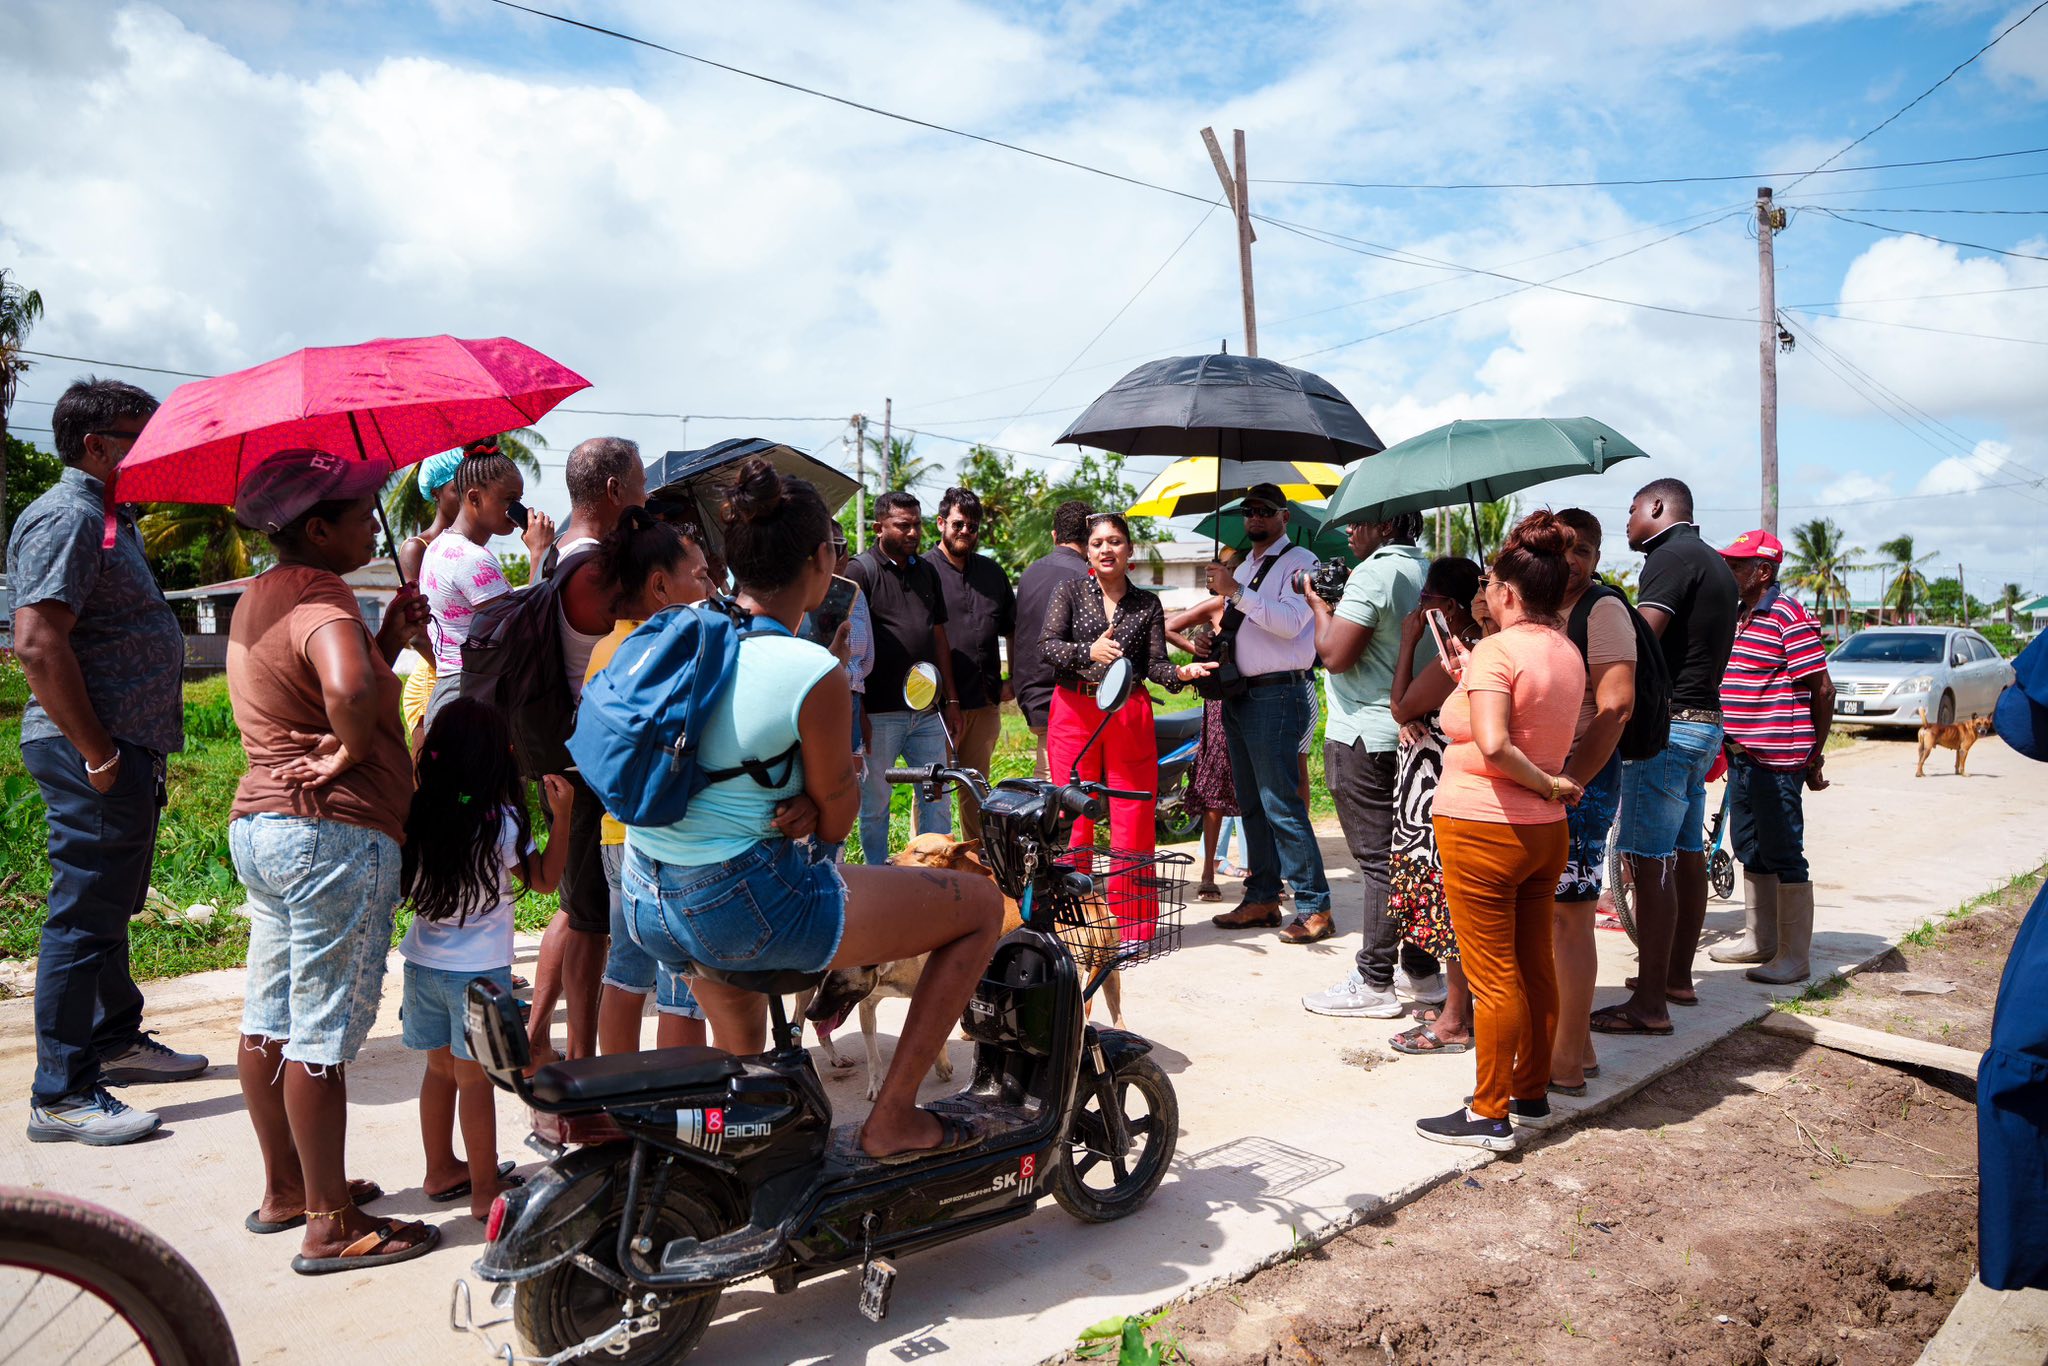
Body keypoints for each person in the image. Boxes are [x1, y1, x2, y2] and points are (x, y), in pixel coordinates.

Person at [622, 459, 1003, 1160]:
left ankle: (758, 1163)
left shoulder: (689, 633)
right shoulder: (809, 670)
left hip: (648, 894)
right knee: (978, 907)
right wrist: (817, 793)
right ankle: (893, 1118)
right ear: (824, 560)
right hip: (735, 903)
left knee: (747, 1051)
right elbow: (837, 819)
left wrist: (787, 793)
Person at [224, 449, 438, 1273]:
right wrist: (353, 752)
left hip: (266, 828)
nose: (366, 530)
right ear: (319, 528)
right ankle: (330, 1223)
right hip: (330, 834)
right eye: (358, 518)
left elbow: (321, 680)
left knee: (269, 1015)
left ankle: (286, 1188)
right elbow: (347, 693)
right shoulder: (322, 593)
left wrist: (385, 639)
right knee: (320, 1032)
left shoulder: (261, 598)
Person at [13, 377, 208, 1146]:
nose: (153, 452)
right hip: (87, 746)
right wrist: (97, 752)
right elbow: (36, 642)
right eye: (140, 438)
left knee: (110, 906)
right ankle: (60, 1091)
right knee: (83, 917)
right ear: (97, 447)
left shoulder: (108, 519)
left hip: (122, 745)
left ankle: (113, 1039)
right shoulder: (66, 515)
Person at [1416, 513, 1586, 1151]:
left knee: (1491, 977)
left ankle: (1488, 1111)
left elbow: (1493, 741)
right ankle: (1530, 1091)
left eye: (1488, 584)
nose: (1483, 593)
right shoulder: (1564, 650)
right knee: (1534, 966)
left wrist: (1543, 781)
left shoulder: (1498, 649)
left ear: (1509, 594)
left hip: (1486, 824)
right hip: (1544, 833)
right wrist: (1470, 682)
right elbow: (1527, 719)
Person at [399, 701, 572, 1218]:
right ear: (499, 758)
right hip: (477, 974)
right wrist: (561, 818)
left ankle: (438, 1170)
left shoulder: (421, 810)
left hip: (421, 965)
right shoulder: (503, 822)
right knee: (475, 1080)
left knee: (438, 1072)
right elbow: (543, 882)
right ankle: (482, 1193)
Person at [1592, 479, 1737, 1038]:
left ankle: (1650, 1004)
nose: (1627, 522)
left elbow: (1640, 642)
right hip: (1702, 727)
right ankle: (1676, 977)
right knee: (1683, 853)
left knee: (1646, 860)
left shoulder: (1670, 556)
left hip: (1667, 731)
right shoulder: (1712, 560)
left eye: (1631, 510)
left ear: (1657, 507)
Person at [520, 437, 647, 1066]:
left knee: (575, 910)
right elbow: (631, 643)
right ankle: (579, 1062)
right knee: (591, 922)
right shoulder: (595, 569)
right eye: (641, 483)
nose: (646, 495)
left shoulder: (558, 553)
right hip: (587, 764)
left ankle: (540, 1038)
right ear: (616, 490)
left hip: (564, 758)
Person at [1041, 514, 1215, 929]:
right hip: (1073, 710)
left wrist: (1180, 674)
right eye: (1098, 542)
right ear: (1087, 548)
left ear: (1129, 550)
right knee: (1071, 817)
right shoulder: (1067, 591)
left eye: (1115, 541)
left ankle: (1135, 923)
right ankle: (1071, 919)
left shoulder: (1146, 603)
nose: (1106, 549)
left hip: (1128, 710)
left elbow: (1155, 664)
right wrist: (1088, 651)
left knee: (1134, 816)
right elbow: (1046, 646)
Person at [587, 508, 716, 1054]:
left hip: (615, 835)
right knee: (682, 988)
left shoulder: (606, 647)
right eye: (702, 575)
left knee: (624, 972)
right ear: (661, 586)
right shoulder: (675, 648)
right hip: (668, 842)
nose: (711, 584)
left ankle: (614, 1100)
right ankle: (676, 1113)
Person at [1300, 512, 1438, 1022]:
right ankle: (1421, 971)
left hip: (1363, 733)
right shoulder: (1423, 570)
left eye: (1359, 524)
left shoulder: (1373, 574)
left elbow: (1334, 656)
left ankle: (1375, 979)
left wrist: (1318, 605)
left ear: (1386, 525)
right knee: (1411, 854)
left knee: (1380, 862)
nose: (1350, 533)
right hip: (1413, 730)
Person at [1204, 484, 1331, 933]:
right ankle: (1261, 897)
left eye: (1264, 511)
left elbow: (1290, 623)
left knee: (1280, 802)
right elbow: (1247, 626)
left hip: (1279, 693)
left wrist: (1234, 590)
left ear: (1284, 517)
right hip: (1242, 692)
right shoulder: (1248, 563)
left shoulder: (1302, 563)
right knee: (1251, 804)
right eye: (1248, 511)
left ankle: (1315, 904)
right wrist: (1214, 640)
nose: (1254, 518)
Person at [1711, 529, 1833, 985]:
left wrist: (1813, 756)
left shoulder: (1787, 615)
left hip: (1778, 758)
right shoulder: (1739, 614)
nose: (1729, 571)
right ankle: (1760, 940)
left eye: (1737, 566)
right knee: (1749, 846)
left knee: (1784, 851)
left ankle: (1793, 957)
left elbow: (1822, 689)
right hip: (1742, 756)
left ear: (1763, 572)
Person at [1549, 509, 1637, 1094]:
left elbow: (1616, 708)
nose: (1572, 560)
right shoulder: (1543, 609)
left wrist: (1573, 779)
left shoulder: (1601, 610)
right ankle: (1578, 1049)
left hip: (1583, 777)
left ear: (1598, 559)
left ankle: (1566, 1063)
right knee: (1554, 918)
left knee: (1570, 917)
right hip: (1549, 778)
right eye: (1562, 549)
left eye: (1583, 550)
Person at [1385, 556, 1485, 1056]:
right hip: (1434, 796)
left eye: (1424, 601)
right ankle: (1457, 1008)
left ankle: (1454, 1019)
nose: (1419, 610)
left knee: (1449, 908)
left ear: (1445, 605)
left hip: (1437, 801)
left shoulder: (1460, 656)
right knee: (1450, 906)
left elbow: (1400, 704)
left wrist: (1407, 642)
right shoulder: (1467, 650)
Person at [845, 491, 962, 866]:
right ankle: (881, 876)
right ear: (879, 527)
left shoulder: (926, 570)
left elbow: (938, 635)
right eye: (903, 525)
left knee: (937, 799)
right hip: (879, 712)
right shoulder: (860, 571)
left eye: (917, 524)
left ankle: (933, 879)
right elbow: (848, 642)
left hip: (927, 710)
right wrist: (857, 709)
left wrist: (951, 700)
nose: (913, 532)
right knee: (876, 802)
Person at [929, 487, 1016, 838]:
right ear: (941, 523)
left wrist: (1014, 680)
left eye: (973, 526)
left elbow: (1013, 628)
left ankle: (976, 867)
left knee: (976, 789)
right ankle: (927, 871)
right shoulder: (923, 571)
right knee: (932, 790)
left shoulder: (992, 573)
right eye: (959, 524)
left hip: (983, 701)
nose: (966, 531)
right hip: (933, 708)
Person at [419, 446, 524, 729]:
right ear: (474, 498)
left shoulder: (438, 546)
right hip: (473, 697)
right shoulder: (473, 559)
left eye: (519, 499)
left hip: (450, 692)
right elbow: (522, 632)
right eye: (509, 500)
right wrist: (538, 553)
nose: (517, 510)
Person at [1013, 501, 1094, 777]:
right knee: (1066, 789)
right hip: (1069, 701)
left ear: (1054, 535)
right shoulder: (1087, 577)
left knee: (1048, 780)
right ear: (1090, 536)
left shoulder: (1029, 574)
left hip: (1031, 694)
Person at [398, 448, 466, 743]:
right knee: (430, 781)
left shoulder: (470, 547)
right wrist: (457, 680)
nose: (465, 497)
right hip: (435, 681)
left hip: (463, 680)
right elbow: (417, 633)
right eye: (456, 489)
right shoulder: (418, 548)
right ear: (436, 492)